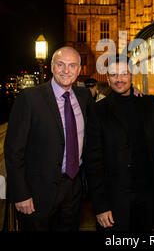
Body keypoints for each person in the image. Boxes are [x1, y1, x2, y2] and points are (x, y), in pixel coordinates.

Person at [4, 46, 96, 231]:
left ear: (79, 70)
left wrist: (133, 93)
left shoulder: (84, 96)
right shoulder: (30, 98)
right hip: (37, 194)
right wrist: (21, 193)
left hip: (73, 190)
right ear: (52, 66)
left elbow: (103, 119)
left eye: (72, 66)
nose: (66, 70)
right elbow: (13, 150)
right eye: (60, 64)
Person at [84, 54, 154, 232]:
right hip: (114, 202)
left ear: (132, 75)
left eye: (124, 74)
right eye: (114, 75)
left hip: (147, 199)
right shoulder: (97, 111)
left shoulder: (150, 104)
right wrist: (100, 206)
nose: (119, 79)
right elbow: (93, 162)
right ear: (108, 79)